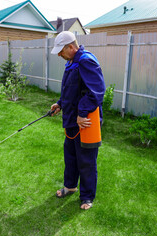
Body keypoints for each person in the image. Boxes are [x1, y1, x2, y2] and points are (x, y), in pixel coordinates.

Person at [50, 31, 105, 210]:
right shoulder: (71, 62)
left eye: (61, 51)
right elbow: (72, 90)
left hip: (85, 121)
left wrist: (81, 113)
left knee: (86, 160)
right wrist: (59, 104)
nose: (59, 54)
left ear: (71, 47)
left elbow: (96, 92)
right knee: (71, 156)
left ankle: (87, 196)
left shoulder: (86, 60)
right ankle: (70, 186)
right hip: (72, 121)